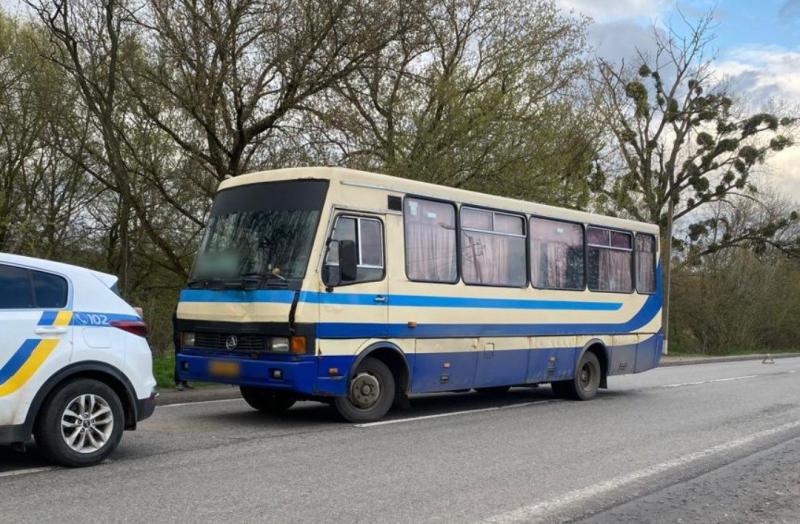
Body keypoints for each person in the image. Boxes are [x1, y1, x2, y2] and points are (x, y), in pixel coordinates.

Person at [172, 310, 192, 391]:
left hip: (185, 338)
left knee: (186, 360)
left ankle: (184, 380)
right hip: (179, 339)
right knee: (179, 359)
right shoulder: (177, 313)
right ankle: (178, 382)